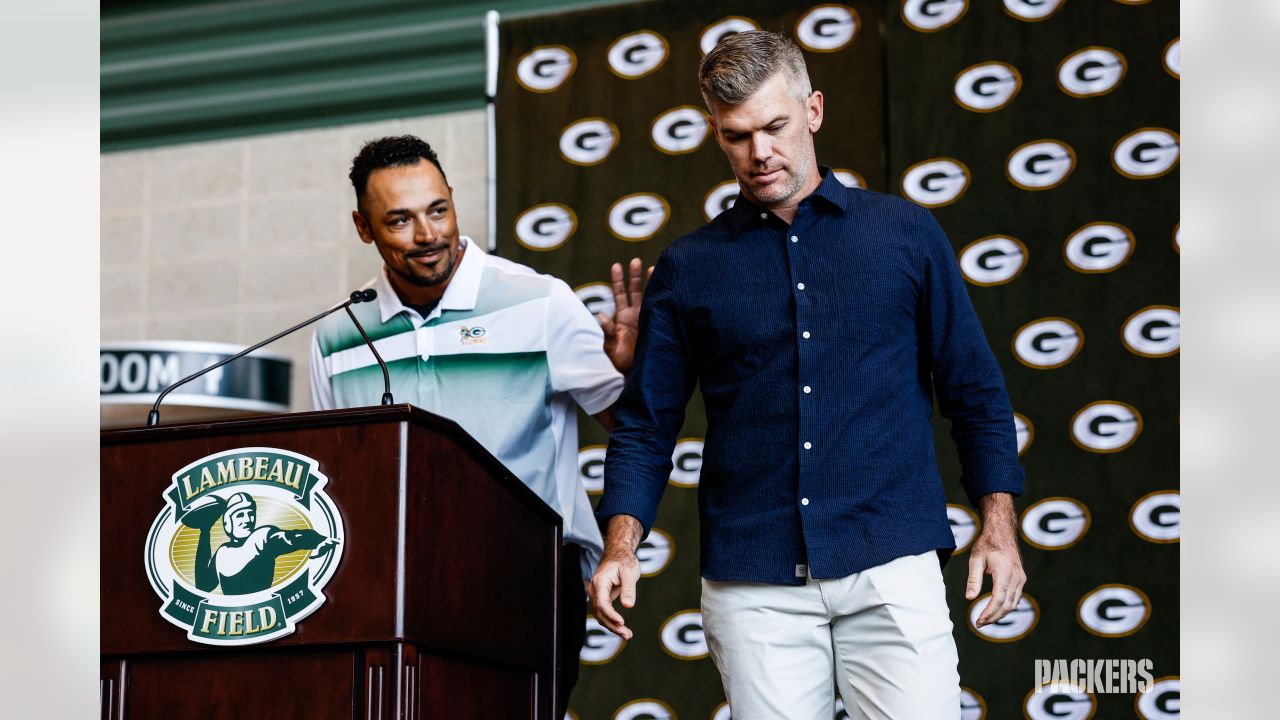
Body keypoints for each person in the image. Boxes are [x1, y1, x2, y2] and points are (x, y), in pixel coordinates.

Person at [589, 31, 1028, 720]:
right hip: (752, 582)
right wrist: (621, 546)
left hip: (890, 559)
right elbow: (646, 426)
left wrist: (998, 528)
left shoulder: (905, 235)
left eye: (775, 126)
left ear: (813, 111)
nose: (759, 153)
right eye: (737, 136)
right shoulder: (689, 266)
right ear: (715, 133)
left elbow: (974, 392)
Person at [309, 135, 645, 716]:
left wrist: (630, 373)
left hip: (525, 576)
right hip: (392, 590)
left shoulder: (538, 302)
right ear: (364, 227)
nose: (428, 234)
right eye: (400, 220)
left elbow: (633, 429)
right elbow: (332, 476)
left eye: (438, 209)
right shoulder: (337, 336)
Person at [190, 492, 338, 595]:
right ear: (228, 522)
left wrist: (317, 540)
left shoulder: (262, 537)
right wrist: (205, 531)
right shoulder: (222, 552)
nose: (247, 520)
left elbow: (291, 537)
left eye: (250, 514)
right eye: (240, 515)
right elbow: (203, 586)